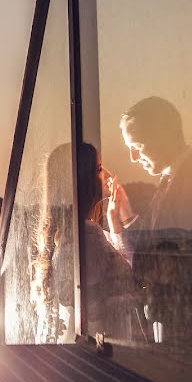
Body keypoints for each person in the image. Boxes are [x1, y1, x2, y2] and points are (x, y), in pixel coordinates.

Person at [31, 143, 134, 344]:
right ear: (82, 181)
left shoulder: (64, 235)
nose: (106, 174)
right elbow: (130, 277)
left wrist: (113, 219)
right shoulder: (87, 235)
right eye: (97, 169)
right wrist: (125, 215)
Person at [118, 96, 192, 235]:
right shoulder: (175, 179)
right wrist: (125, 213)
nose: (133, 158)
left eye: (137, 146)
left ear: (164, 136)